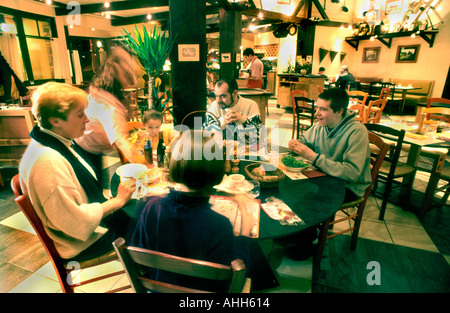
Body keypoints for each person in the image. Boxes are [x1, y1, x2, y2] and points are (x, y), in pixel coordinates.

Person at [19, 82, 136, 262]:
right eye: (80, 114)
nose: (87, 119)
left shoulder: (56, 142)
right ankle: (151, 278)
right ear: (55, 121)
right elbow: (73, 222)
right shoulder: (47, 161)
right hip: (81, 242)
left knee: (146, 216)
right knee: (150, 225)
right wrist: (117, 201)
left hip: (85, 230)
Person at [131, 130, 254, 292]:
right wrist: (245, 234)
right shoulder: (220, 225)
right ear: (216, 172)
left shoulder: (152, 208)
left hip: (160, 288)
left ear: (174, 165)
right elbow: (231, 276)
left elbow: (140, 258)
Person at [288, 87, 371, 202]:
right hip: (324, 176)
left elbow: (352, 173)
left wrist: (314, 158)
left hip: (348, 187)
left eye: (323, 109)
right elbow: (304, 140)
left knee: (304, 196)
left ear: (339, 111)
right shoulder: (321, 125)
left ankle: (312, 219)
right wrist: (296, 145)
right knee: (289, 187)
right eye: (317, 108)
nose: (317, 113)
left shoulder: (357, 131)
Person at [73, 46, 138, 184]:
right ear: (116, 74)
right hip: (84, 150)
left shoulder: (101, 91)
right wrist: (142, 168)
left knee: (99, 184)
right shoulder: (107, 105)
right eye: (127, 73)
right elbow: (121, 141)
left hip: (89, 148)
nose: (130, 78)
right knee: (93, 190)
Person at [204, 77, 262, 146]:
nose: (218, 100)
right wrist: (222, 122)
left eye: (223, 96)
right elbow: (206, 137)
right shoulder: (214, 106)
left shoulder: (250, 105)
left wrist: (242, 120)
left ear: (234, 93)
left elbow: (258, 138)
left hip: (245, 151)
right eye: (216, 96)